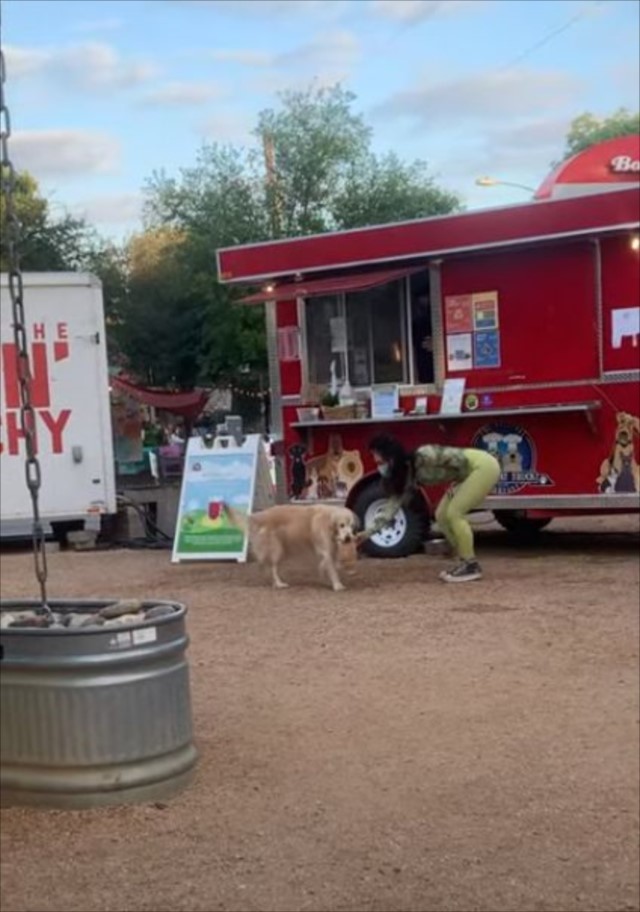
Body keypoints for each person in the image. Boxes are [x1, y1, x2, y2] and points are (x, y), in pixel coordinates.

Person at [357, 434, 501, 582]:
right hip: (468, 474)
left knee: (454, 513)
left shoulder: (425, 455)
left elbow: (459, 459)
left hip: (483, 467)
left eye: (379, 459)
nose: (377, 463)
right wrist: (367, 534)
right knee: (441, 515)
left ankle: (470, 565)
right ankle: (461, 556)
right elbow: (391, 507)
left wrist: (460, 481)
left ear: (391, 457)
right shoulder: (408, 475)